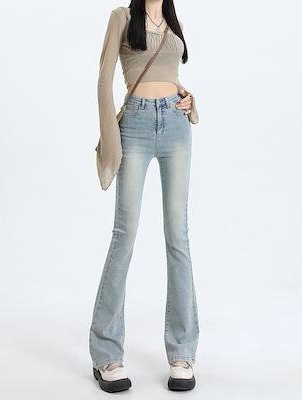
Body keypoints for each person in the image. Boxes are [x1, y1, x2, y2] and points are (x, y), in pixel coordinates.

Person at [89, 0, 200, 392]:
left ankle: (182, 353)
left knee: (178, 236)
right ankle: (106, 354)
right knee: (125, 234)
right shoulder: (122, 17)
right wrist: (110, 137)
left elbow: (170, 75)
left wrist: (190, 100)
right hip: (134, 124)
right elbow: (104, 80)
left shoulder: (172, 19)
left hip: (176, 123)